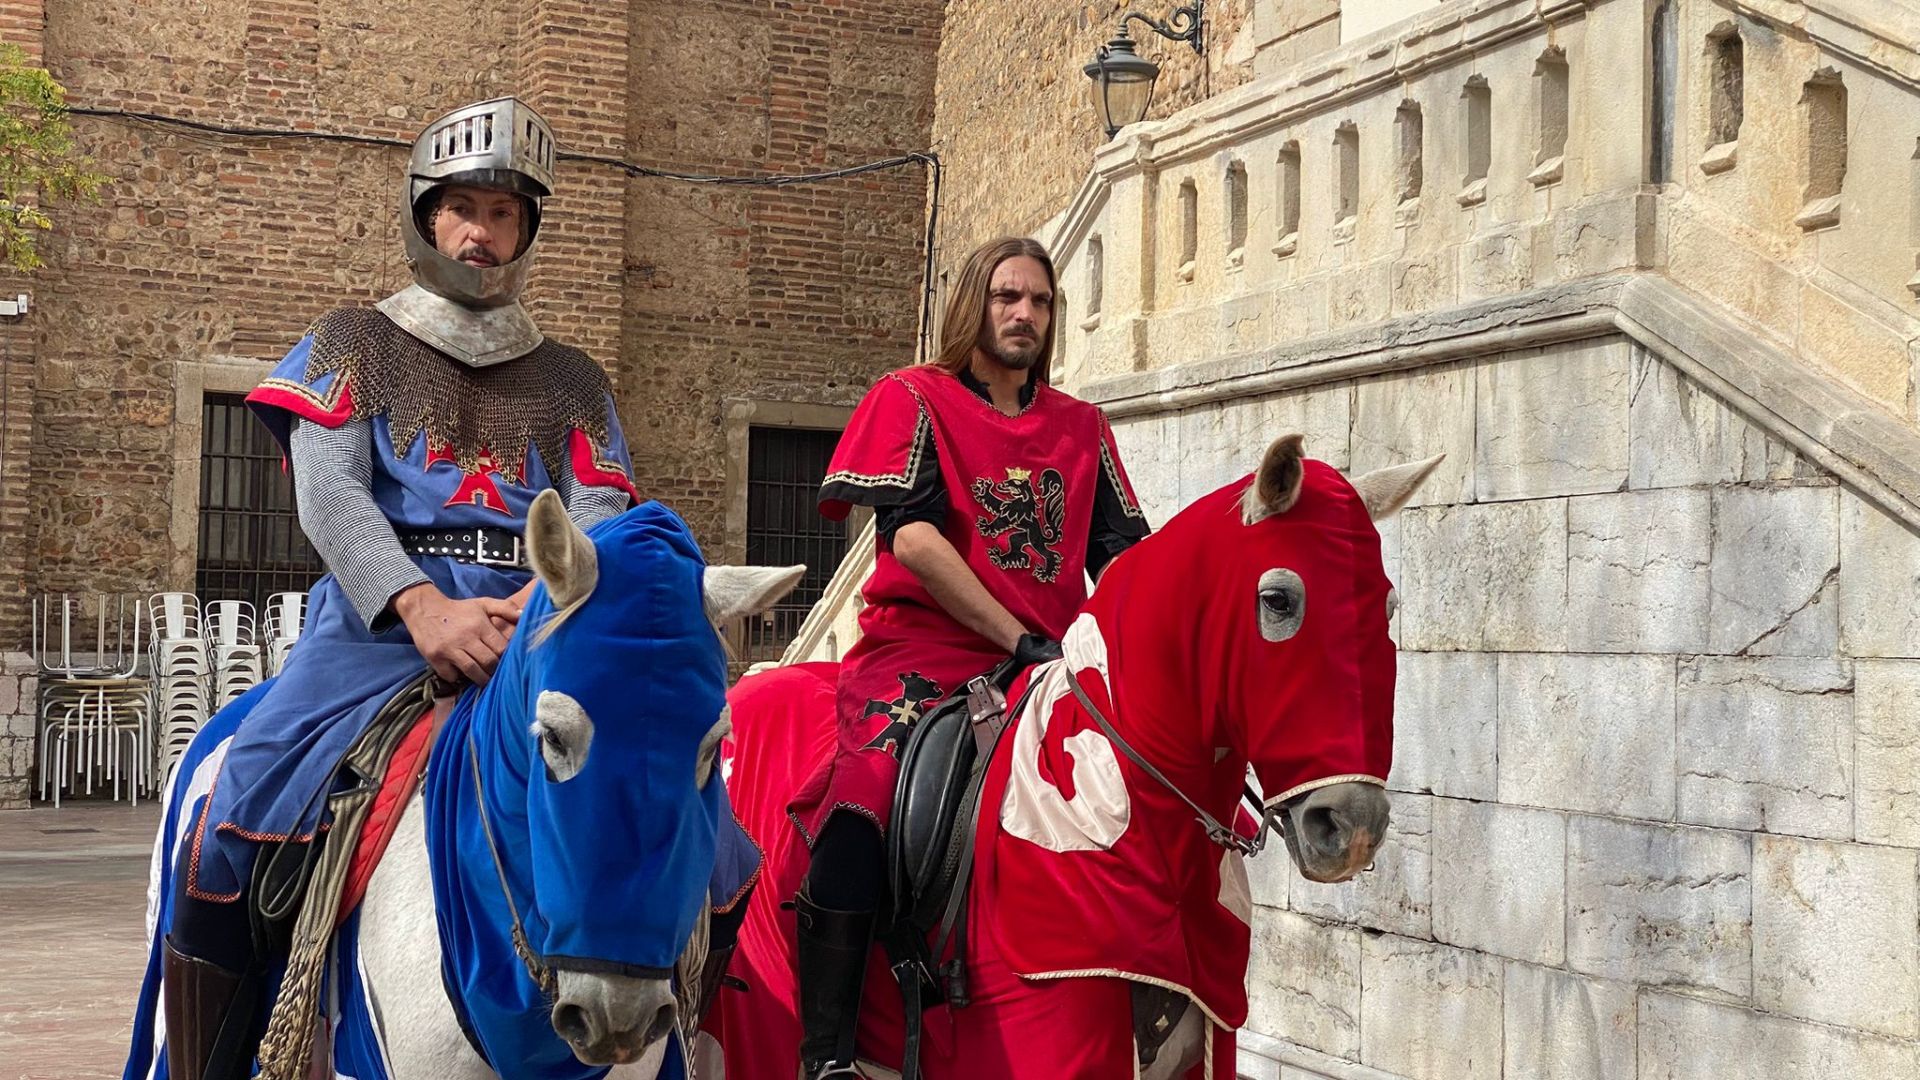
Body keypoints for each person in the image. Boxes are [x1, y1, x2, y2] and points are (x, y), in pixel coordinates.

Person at [161, 97, 639, 1080]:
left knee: (700, 836)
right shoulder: (353, 340)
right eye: (463, 208)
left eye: (504, 214)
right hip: (373, 635)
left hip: (537, 629)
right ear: (426, 216)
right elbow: (331, 498)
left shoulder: (575, 380)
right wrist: (421, 607)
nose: (482, 232)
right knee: (230, 823)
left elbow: (596, 515)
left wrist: (534, 609)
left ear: (524, 232)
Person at [792, 236, 1150, 1077]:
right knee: (864, 805)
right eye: (1008, 298)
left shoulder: (1082, 428)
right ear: (975, 307)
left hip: (1049, 665)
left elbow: (1125, 560)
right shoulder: (912, 398)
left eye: (1040, 302)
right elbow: (911, 538)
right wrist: (1016, 636)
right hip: (923, 658)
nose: (1025, 314)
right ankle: (827, 1055)